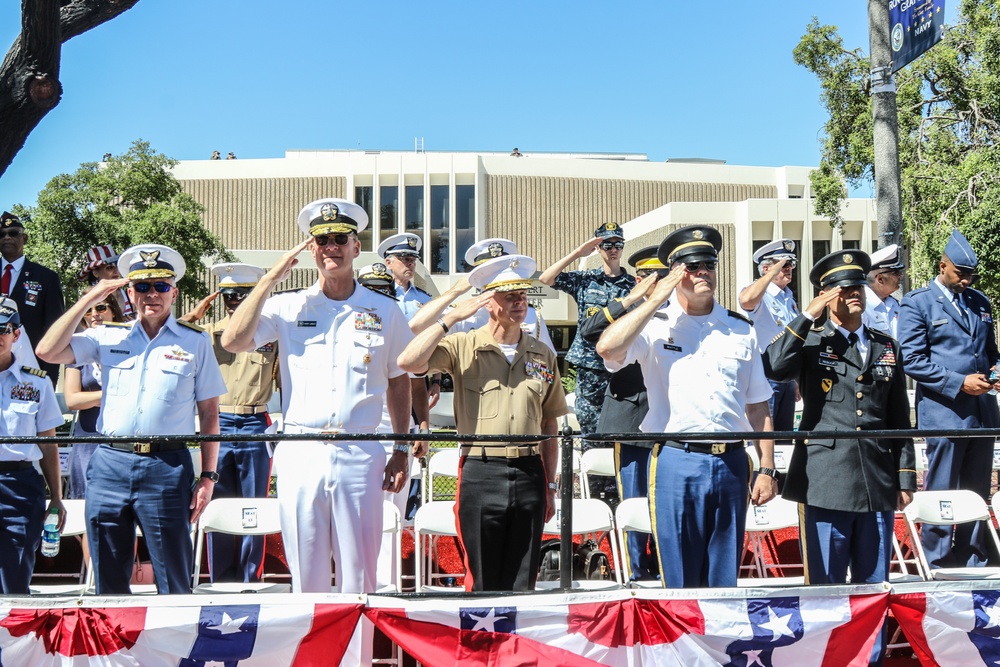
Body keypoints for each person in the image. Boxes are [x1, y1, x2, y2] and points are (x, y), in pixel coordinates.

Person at [220, 198, 412, 666]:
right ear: (311, 249)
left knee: (359, 574)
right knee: (306, 571)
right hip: (302, 448)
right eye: (322, 240)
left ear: (356, 245)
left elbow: (401, 378)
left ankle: (358, 660)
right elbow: (233, 340)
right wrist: (268, 279)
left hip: (360, 449)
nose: (332, 248)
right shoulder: (287, 305)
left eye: (340, 239)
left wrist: (402, 446)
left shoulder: (384, 310)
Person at [36, 244, 226, 595]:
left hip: (166, 465)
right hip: (110, 462)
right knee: (108, 577)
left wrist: (209, 477)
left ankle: (173, 646)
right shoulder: (108, 336)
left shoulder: (195, 342)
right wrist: (86, 300)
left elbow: (210, 413)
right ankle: (113, 648)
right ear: (128, 292)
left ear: (175, 291)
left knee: (174, 577)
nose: (151, 294)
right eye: (141, 287)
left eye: (160, 286)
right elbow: (47, 351)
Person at [596, 225, 778, 588]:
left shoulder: (740, 328)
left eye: (708, 264)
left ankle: (717, 643)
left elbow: (758, 405)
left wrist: (768, 468)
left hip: (731, 461)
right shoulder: (656, 324)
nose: (703, 273)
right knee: (677, 572)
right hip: (677, 459)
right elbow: (607, 349)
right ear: (676, 272)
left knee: (724, 572)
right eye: (692, 266)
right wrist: (652, 300)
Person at [764, 250, 915, 663]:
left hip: (878, 481)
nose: (854, 294)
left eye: (857, 287)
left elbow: (899, 415)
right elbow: (773, 368)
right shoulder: (812, 341)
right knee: (827, 590)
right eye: (843, 288)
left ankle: (871, 658)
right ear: (825, 295)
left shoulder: (886, 346)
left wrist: (904, 477)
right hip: (826, 479)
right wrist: (806, 316)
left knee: (873, 587)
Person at [398, 254, 567, 591]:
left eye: (523, 295)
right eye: (510, 296)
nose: (520, 303)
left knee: (524, 579)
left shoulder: (541, 353)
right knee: (482, 579)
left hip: (530, 471)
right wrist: (452, 318)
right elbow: (408, 361)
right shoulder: (462, 345)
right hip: (480, 470)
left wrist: (550, 485)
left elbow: (550, 422)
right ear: (489, 303)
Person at [898, 229, 1000, 569]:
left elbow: (990, 353)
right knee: (942, 492)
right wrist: (959, 384)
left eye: (971, 275)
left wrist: (996, 373)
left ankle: (975, 560)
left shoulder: (979, 301)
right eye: (961, 273)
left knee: (975, 493)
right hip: (945, 413)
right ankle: (937, 561)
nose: (967, 280)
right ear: (943, 265)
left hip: (982, 413)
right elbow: (911, 360)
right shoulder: (918, 302)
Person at [182, 263, 279, 584]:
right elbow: (166, 333)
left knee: (254, 507)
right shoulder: (208, 333)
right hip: (218, 421)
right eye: (228, 296)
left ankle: (252, 579)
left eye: (242, 296)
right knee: (216, 502)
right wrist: (194, 317)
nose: (234, 302)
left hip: (255, 422)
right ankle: (220, 579)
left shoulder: (270, 333)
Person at [577, 244, 661, 581]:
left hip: (674, 422)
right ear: (639, 279)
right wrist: (628, 300)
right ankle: (636, 572)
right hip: (632, 419)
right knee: (635, 502)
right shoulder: (623, 312)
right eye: (649, 276)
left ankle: (667, 566)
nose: (658, 282)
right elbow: (589, 331)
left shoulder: (685, 312)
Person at [540, 222, 634, 501]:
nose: (614, 249)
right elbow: (545, 280)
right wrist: (579, 252)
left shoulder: (632, 284)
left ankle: (622, 493)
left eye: (618, 243)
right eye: (607, 244)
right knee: (592, 431)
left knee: (621, 429)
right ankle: (597, 495)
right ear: (598, 247)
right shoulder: (586, 279)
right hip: (591, 366)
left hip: (622, 365)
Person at [356, 261, 427, 591]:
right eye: (370, 290)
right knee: (356, 515)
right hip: (359, 436)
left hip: (394, 435)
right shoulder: (346, 325)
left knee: (392, 516)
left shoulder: (399, 329)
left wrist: (422, 426)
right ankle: (357, 581)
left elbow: (416, 385)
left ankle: (386, 584)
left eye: (383, 291)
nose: (376, 297)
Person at [0, 298, 65, 594]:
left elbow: (48, 442)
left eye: (4, 328)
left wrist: (57, 497)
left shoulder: (36, 383)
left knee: (15, 579)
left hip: (19, 485)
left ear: (16, 334)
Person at [409, 238, 555, 353]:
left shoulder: (529, 314)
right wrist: (455, 291)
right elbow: (416, 327)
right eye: (488, 271)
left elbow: (548, 360)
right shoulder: (463, 314)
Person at [62, 287, 126, 501]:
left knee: (124, 506)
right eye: (87, 311)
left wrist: (92, 399)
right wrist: (111, 396)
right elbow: (72, 399)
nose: (94, 315)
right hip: (89, 438)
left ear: (114, 311)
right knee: (90, 507)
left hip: (123, 437)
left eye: (100, 307)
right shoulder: (76, 348)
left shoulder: (130, 345)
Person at [739, 239, 799, 440]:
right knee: (766, 436)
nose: (789, 269)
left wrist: (796, 379)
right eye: (784, 265)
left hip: (787, 378)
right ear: (766, 268)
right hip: (766, 375)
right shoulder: (760, 294)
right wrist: (770, 275)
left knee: (785, 438)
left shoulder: (789, 298)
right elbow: (746, 301)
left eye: (791, 264)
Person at [0, 211, 65, 385]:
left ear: (25, 238)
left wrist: (48, 379)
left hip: (28, 371)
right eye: (1, 234)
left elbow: (54, 329)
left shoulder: (46, 277)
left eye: (13, 233)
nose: (6, 238)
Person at [78, 244, 134, 320]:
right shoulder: (89, 299)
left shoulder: (129, 295)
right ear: (95, 273)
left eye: (117, 266)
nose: (116, 271)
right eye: (109, 268)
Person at [863, 244, 905, 338]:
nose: (900, 276)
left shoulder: (893, 303)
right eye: (896, 273)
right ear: (880, 279)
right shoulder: (862, 306)